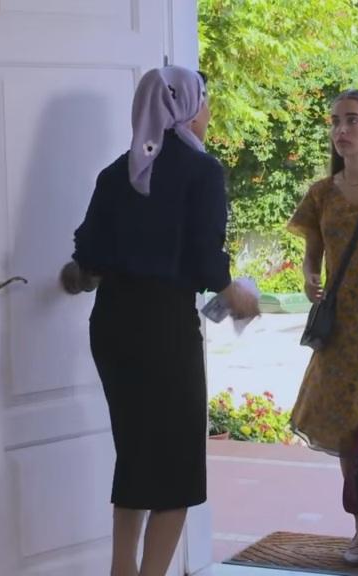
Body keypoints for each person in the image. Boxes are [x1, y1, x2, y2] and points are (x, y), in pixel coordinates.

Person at [68, 66, 260, 576]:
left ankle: (121, 569)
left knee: (135, 454)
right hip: (164, 327)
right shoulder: (201, 171)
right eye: (205, 102)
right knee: (174, 469)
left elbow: (87, 254)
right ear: (186, 108)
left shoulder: (116, 173)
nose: (208, 112)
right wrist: (234, 293)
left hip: (112, 326)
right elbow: (205, 259)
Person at [287, 89, 358, 566]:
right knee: (352, 435)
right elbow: (313, 249)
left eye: (352, 120)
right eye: (335, 121)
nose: (340, 130)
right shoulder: (321, 193)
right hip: (342, 333)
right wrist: (309, 275)